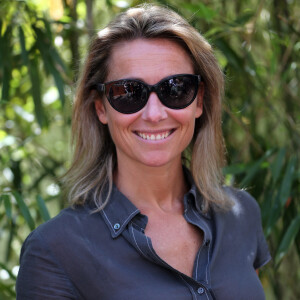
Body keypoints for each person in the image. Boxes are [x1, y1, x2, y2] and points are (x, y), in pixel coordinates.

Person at [16, 4, 271, 300]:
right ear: (101, 107)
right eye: (128, 92)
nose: (153, 113)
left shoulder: (241, 214)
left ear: (199, 100)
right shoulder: (55, 252)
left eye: (176, 89)